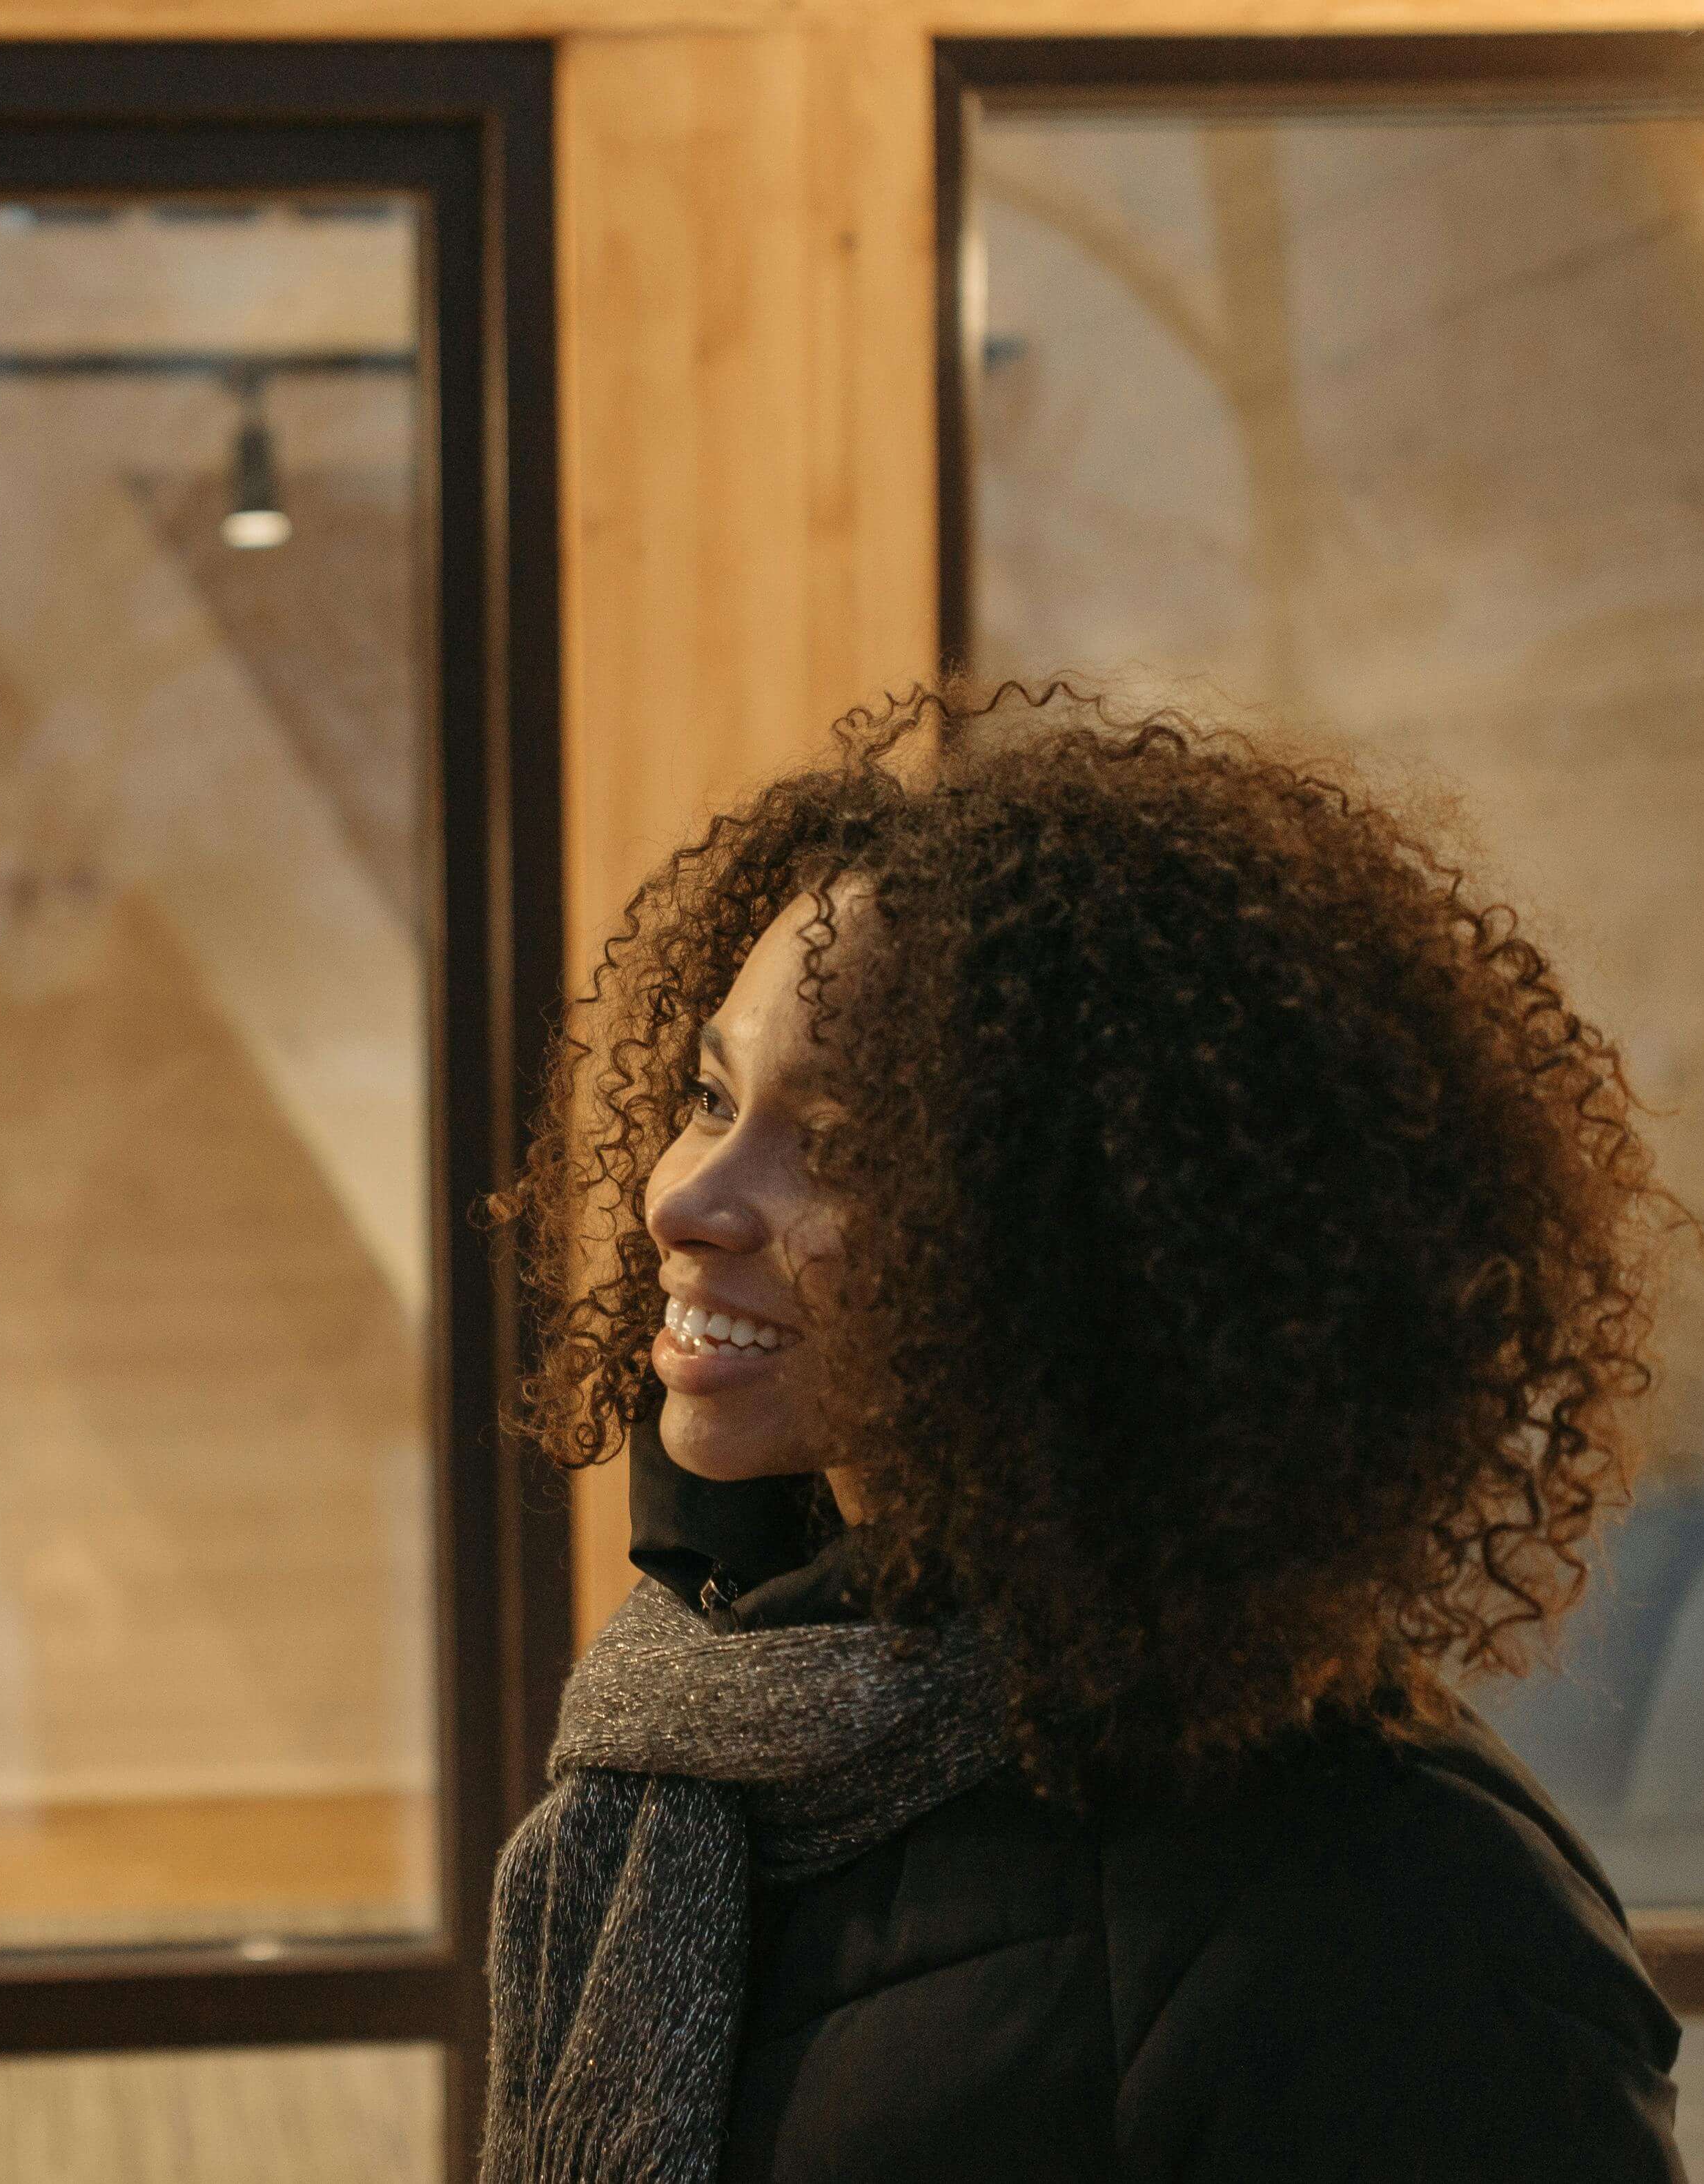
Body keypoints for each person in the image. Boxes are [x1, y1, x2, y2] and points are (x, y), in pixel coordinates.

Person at [484, 683, 1688, 2182]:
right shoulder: (707, 1749)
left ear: (1099, 1247)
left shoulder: (1398, 1907)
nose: (681, 1198)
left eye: (843, 1145)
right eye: (712, 1096)